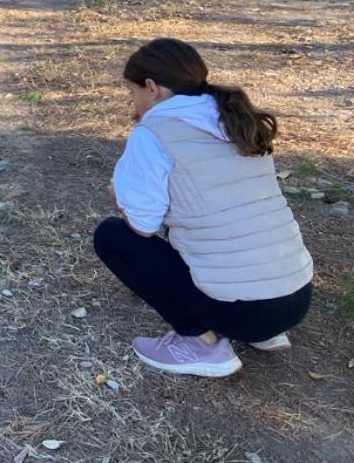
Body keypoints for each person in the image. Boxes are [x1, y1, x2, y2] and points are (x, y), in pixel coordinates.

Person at [94, 38, 313, 378]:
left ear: (151, 88)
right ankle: (266, 335)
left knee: (111, 236)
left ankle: (200, 342)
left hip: (245, 312)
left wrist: (119, 195)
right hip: (296, 298)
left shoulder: (153, 133)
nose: (132, 102)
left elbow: (142, 227)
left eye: (131, 93)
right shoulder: (237, 119)